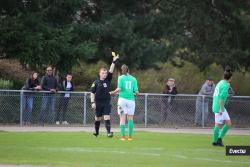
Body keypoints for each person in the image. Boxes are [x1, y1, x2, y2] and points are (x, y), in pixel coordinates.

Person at [90, 55, 119, 137]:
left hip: (106, 103)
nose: (104, 74)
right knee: (98, 118)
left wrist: (114, 61)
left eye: (105, 73)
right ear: (99, 74)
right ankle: (96, 133)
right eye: (103, 73)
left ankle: (109, 132)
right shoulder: (96, 82)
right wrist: (92, 102)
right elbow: (92, 93)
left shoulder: (107, 80)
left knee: (107, 117)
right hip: (98, 103)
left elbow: (111, 70)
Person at [110, 64, 139, 141]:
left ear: (122, 71)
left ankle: (123, 137)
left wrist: (113, 92)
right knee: (130, 119)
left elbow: (119, 89)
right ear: (128, 70)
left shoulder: (120, 78)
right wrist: (134, 93)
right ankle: (130, 137)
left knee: (122, 119)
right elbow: (136, 92)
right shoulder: (133, 79)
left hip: (122, 100)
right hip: (131, 101)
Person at [212, 66, 233, 147]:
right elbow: (221, 97)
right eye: (231, 78)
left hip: (217, 105)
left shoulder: (221, 82)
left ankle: (218, 139)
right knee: (218, 124)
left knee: (228, 123)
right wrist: (220, 108)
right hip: (219, 107)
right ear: (230, 78)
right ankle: (216, 141)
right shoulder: (226, 85)